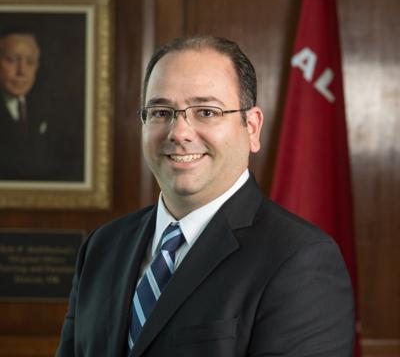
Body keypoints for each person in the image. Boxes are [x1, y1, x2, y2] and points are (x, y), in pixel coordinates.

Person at [56, 35, 355, 356]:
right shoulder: (102, 247)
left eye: (206, 112)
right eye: (161, 112)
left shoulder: (300, 259)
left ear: (252, 127)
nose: (179, 132)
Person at [0, 29, 83, 181]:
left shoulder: (53, 110)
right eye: (11, 60)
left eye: (30, 62)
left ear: (37, 67)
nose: (21, 71)